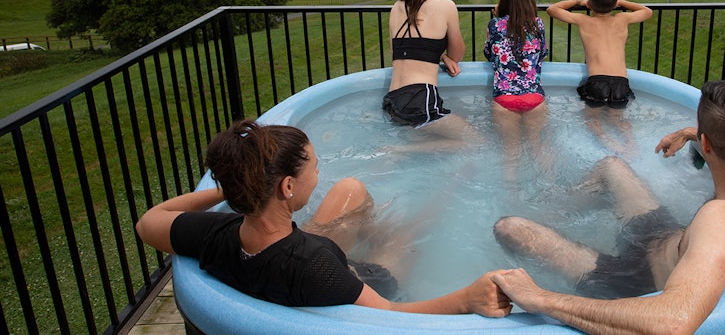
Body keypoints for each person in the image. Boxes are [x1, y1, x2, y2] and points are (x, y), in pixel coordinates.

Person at [491, 80, 725, 334]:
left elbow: (671, 324)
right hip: (668, 238)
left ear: (706, 145)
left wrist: (541, 299)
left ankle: (544, 223)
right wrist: (689, 133)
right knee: (612, 166)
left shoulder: (724, 223)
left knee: (509, 228)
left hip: (635, 281)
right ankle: (553, 211)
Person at [135, 120, 513, 316]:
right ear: (286, 187)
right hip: (365, 283)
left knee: (349, 190)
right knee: (403, 237)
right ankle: (455, 183)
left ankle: (374, 226)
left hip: (274, 245)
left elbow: (149, 221)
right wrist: (467, 298)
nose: (317, 174)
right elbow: (393, 315)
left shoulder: (215, 235)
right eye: (314, 167)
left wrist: (238, 184)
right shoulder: (316, 265)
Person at [546, 0, 652, 156]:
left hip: (597, 82)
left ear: (589, 4)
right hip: (621, 83)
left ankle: (610, 143)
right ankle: (631, 144)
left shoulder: (583, 20)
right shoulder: (623, 18)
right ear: (615, 4)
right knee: (617, 120)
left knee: (591, 119)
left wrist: (577, 2)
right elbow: (647, 11)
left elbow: (552, 10)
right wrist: (622, 3)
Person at [383, 0, 477, 150]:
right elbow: (457, 54)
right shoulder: (446, 6)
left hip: (393, 101)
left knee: (430, 140)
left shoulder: (396, 8)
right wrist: (446, 55)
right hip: (420, 97)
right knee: (475, 141)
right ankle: (401, 151)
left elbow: (400, 50)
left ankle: (406, 149)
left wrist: (439, 55)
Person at [483, 0, 551, 187]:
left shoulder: (495, 25)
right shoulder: (537, 24)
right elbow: (542, 55)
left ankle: (511, 196)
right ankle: (548, 190)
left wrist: (497, 16)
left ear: (503, 1)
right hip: (534, 97)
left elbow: (488, 54)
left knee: (511, 154)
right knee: (538, 148)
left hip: (504, 99)